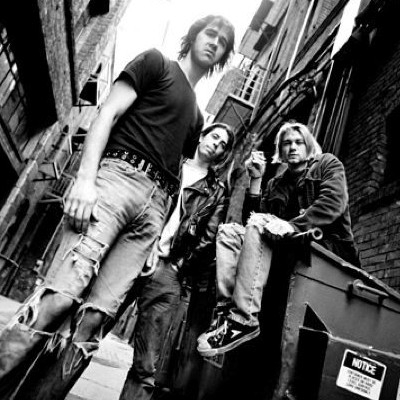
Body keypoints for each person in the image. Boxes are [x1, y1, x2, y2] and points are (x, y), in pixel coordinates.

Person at [0, 15, 235, 400]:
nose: (214, 42)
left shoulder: (196, 117)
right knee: (62, 295)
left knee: (93, 323)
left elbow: (176, 173)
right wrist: (85, 179)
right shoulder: (156, 62)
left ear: (223, 55)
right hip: (116, 180)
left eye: (223, 42)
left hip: (153, 211)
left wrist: (156, 237)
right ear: (195, 35)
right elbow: (106, 114)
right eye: (211, 33)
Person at [197, 121, 359, 357]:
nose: (292, 147)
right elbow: (252, 225)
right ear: (280, 151)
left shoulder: (327, 164)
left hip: (326, 251)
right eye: (286, 143)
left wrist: (292, 225)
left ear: (309, 145)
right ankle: (225, 314)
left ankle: (244, 320)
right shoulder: (276, 184)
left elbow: (333, 204)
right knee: (228, 232)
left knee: (259, 223)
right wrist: (256, 181)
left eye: (299, 142)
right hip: (284, 250)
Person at [119, 122, 234, 400]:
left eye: (223, 145)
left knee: (147, 362)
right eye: (214, 137)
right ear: (202, 136)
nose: (216, 145)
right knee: (90, 323)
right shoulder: (170, 162)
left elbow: (208, 238)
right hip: (134, 250)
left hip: (168, 270)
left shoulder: (218, 191)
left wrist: (179, 265)